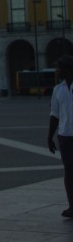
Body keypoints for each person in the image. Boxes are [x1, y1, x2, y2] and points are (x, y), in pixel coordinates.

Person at [46, 55, 73, 217]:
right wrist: (50, 136)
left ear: (68, 69)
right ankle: (72, 206)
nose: (57, 70)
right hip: (65, 136)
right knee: (69, 170)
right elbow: (54, 114)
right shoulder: (58, 89)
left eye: (60, 67)